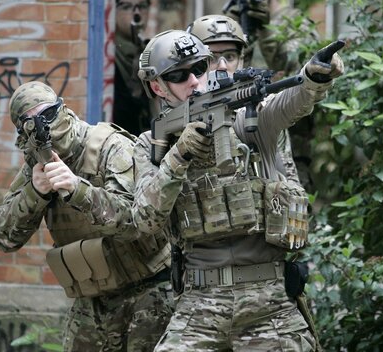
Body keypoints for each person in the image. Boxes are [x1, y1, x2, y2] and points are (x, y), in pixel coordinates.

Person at [133, 30, 343, 351]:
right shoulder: (152, 144)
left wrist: (312, 79)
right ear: (157, 87)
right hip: (199, 304)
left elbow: (289, 102)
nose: (193, 80)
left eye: (199, 69)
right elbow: (145, 219)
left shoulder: (247, 120)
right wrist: (180, 154)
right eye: (178, 75)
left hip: (269, 302)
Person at [0, 81, 173, 352]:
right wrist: (35, 192)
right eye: (31, 123)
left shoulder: (108, 146)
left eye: (48, 114)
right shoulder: (36, 166)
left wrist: (77, 190)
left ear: (63, 108)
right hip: (93, 301)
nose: (43, 127)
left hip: (150, 289)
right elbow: (1, 237)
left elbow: (138, 222)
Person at [222, 0, 320, 189]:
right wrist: (232, 33)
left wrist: (266, 31)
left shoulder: (293, 23)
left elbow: (306, 81)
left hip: (289, 155)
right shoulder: (223, 29)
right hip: (237, 152)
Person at [187, 14, 300, 184]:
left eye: (230, 56)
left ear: (241, 60)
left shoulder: (259, 113)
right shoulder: (181, 113)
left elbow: (290, 184)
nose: (223, 65)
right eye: (211, 57)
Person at [114, 0, 157, 135]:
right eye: (127, 7)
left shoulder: (150, 52)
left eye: (142, 6)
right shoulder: (107, 54)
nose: (136, 12)